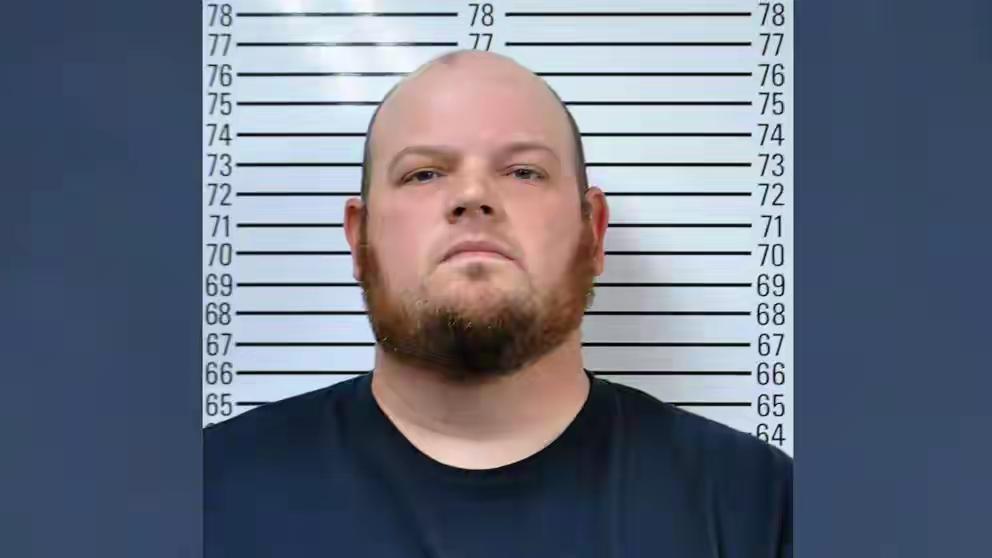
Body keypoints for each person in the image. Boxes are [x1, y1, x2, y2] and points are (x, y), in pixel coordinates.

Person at [205, 50, 793, 557]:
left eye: (524, 171)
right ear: (360, 240)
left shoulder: (761, 507)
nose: (472, 196)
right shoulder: (204, 492)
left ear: (593, 232)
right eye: (424, 174)